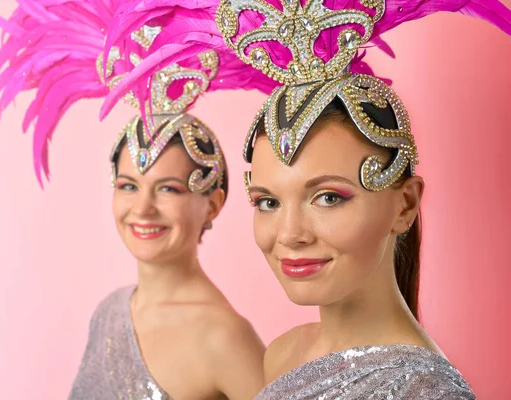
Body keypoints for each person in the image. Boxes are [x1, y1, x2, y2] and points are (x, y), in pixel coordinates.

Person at [210, 0, 511, 398]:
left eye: (328, 197)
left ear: (404, 204)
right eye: (268, 202)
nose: (289, 234)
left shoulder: (428, 393)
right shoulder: (282, 355)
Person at [0, 1, 277, 398]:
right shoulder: (109, 312)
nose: (142, 209)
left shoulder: (223, 337)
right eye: (128, 186)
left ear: (212, 203)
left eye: (168, 188)